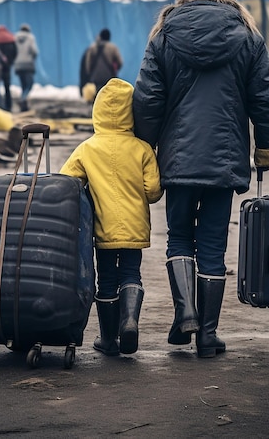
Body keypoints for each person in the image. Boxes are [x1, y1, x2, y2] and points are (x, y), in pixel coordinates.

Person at [132, 0, 269, 358]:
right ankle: (208, 334)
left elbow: (148, 98)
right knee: (213, 245)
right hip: (224, 160)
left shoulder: (164, 35)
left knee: (180, 237)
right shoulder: (248, 37)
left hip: (178, 162)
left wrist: (145, 143)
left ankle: (185, 312)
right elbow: (265, 99)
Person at [59, 78, 163, 356]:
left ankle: (107, 339)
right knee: (131, 273)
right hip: (135, 229)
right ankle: (129, 322)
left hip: (102, 229)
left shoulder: (86, 149)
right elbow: (153, 192)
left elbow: (65, 185)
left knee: (106, 278)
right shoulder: (142, 148)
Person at [81, 29, 123, 100]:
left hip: (95, 77)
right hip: (109, 76)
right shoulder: (113, 48)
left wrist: (90, 74)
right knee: (108, 96)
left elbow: (88, 64)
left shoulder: (92, 47)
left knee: (97, 95)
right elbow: (120, 62)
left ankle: (97, 109)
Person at [0, 25, 17, 112]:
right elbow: (15, 52)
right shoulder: (11, 39)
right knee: (7, 86)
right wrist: (10, 62)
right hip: (7, 66)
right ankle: (8, 105)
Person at [14, 24, 39, 112]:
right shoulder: (30, 37)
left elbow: (13, 51)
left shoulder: (15, 38)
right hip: (28, 64)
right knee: (29, 84)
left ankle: (23, 104)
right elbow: (34, 51)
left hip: (18, 65)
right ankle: (23, 99)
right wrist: (32, 58)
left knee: (23, 85)